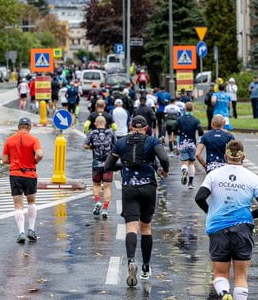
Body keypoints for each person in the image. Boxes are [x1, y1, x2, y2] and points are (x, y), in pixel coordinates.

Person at [195, 140, 258, 300]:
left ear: (225, 156)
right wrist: (251, 215)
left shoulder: (214, 175)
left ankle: (223, 293)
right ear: (243, 156)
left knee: (220, 273)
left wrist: (211, 212)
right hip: (243, 228)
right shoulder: (252, 178)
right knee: (241, 277)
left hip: (218, 229)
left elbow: (199, 197)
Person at [104, 115, 170, 287]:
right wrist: (164, 171)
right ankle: (146, 267)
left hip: (129, 189)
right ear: (146, 128)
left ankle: (131, 260)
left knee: (131, 227)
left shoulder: (121, 142)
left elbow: (107, 166)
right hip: (148, 188)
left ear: (131, 127)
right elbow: (164, 158)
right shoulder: (152, 141)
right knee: (146, 227)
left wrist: (123, 166)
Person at [2, 117, 44, 243]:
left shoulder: (9, 140)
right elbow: (40, 154)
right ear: (29, 127)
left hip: (15, 174)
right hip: (30, 174)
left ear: (18, 127)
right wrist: (35, 160)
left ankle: (21, 232)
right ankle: (31, 230)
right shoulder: (34, 140)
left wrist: (14, 161)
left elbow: (4, 160)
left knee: (18, 205)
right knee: (31, 202)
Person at [84, 116, 116, 219]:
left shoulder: (92, 133)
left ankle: (98, 201)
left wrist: (92, 147)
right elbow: (117, 145)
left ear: (95, 123)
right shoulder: (111, 133)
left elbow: (85, 145)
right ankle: (105, 209)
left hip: (96, 163)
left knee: (96, 184)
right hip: (108, 163)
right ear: (105, 123)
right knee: (107, 186)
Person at [176, 102, 204, 189]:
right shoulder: (195, 120)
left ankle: (184, 170)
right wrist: (199, 133)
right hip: (192, 143)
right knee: (192, 163)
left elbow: (173, 128)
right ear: (192, 109)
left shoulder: (179, 119)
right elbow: (200, 130)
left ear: (184, 109)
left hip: (182, 143)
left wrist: (178, 133)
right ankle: (190, 183)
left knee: (184, 162)